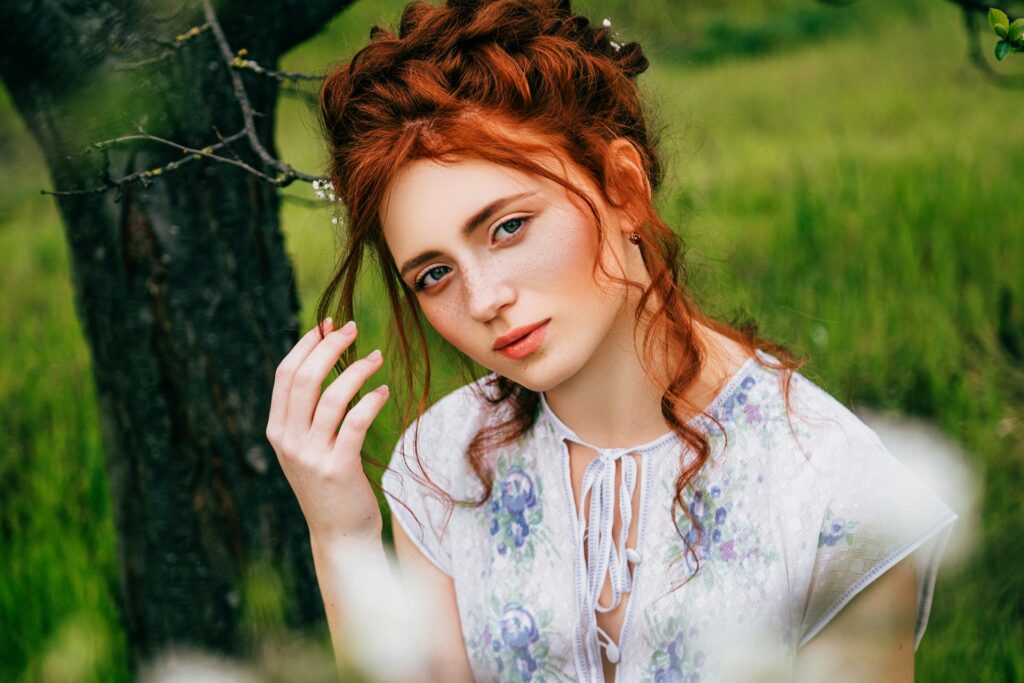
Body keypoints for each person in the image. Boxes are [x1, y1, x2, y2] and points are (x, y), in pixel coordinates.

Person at [265, 0, 960, 681]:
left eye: (507, 227)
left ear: (624, 190)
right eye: (435, 273)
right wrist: (343, 535)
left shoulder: (836, 490)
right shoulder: (444, 464)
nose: (483, 300)